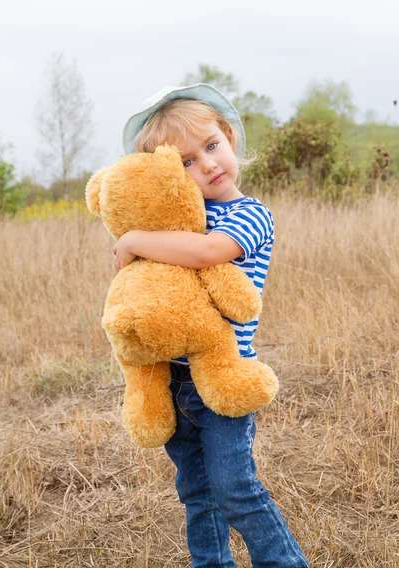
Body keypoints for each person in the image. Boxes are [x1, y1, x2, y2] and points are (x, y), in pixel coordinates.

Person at [113, 84, 309, 568]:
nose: (206, 165)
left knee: (235, 489)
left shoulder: (250, 214)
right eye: (184, 162)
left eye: (211, 146)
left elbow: (207, 254)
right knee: (196, 492)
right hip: (172, 377)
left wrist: (136, 238)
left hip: (222, 376)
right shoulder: (181, 222)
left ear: (229, 136)